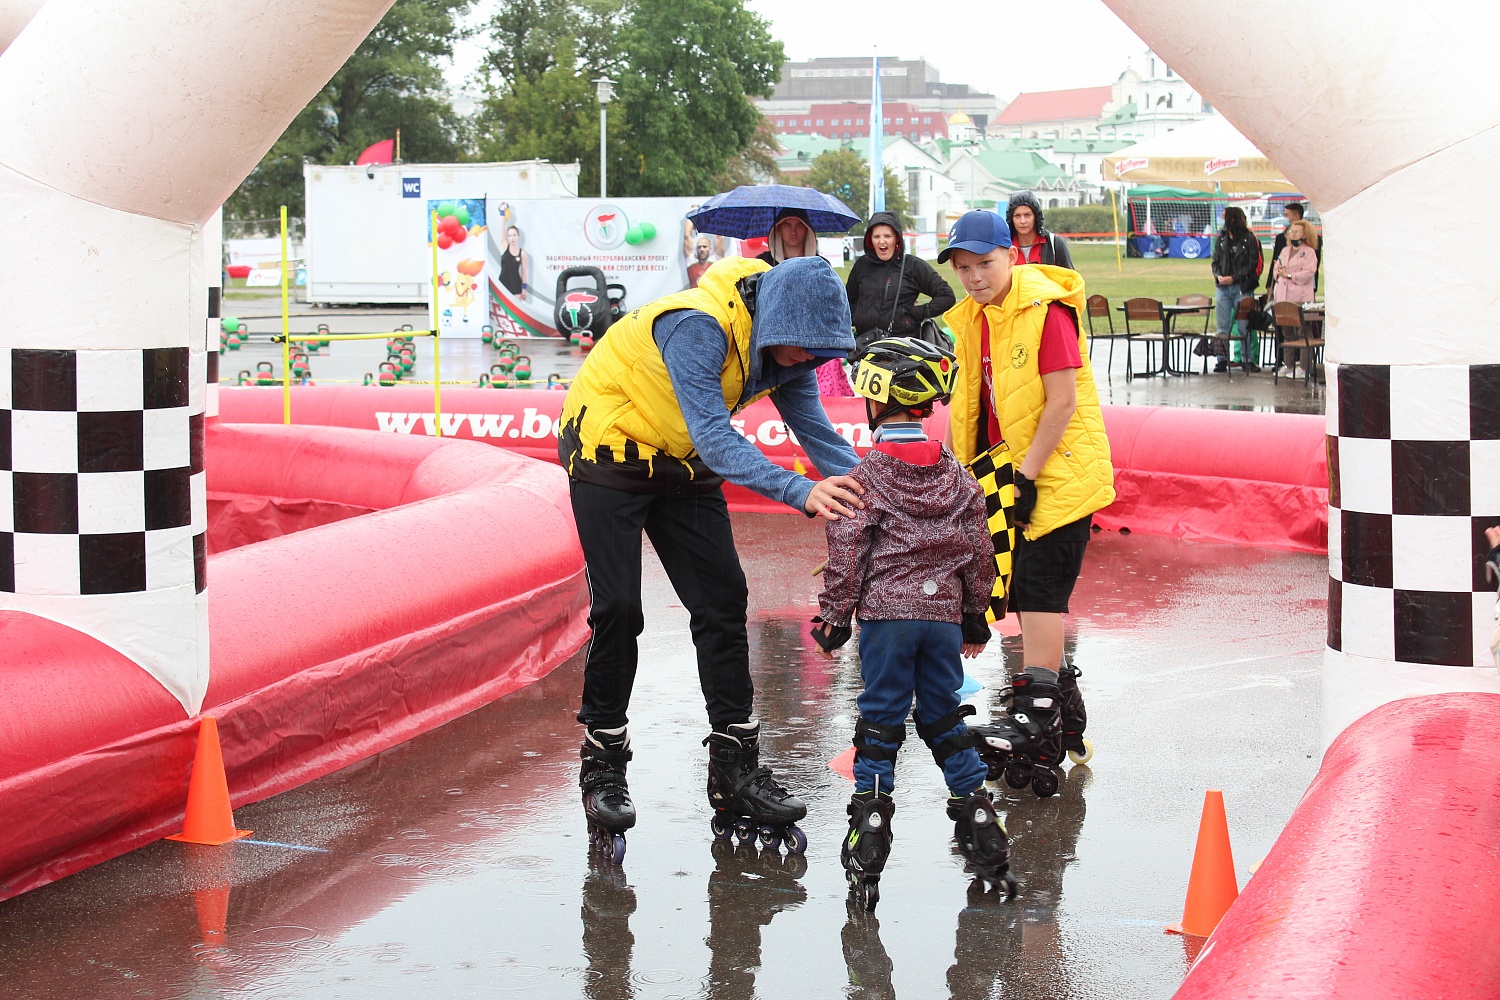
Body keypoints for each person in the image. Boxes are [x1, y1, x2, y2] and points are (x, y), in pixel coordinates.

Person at [558, 254, 866, 863]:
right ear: (777, 321)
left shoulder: (786, 346)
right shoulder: (697, 326)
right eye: (805, 347)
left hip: (683, 460)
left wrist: (884, 499)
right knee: (620, 607)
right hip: (608, 455)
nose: (810, 360)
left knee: (724, 602)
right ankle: (604, 762)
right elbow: (715, 435)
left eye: (821, 351)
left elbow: (819, 434)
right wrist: (800, 491)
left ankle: (735, 766)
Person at [811, 337, 1015, 910]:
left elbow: (847, 547)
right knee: (945, 722)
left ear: (876, 402)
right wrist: (975, 616)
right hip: (944, 621)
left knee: (880, 727)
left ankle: (869, 837)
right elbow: (980, 547)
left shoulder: (867, 475)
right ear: (926, 404)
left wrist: (834, 619)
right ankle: (981, 824)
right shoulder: (955, 475)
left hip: (887, 621)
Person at [939, 210, 1114, 798]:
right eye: (963, 268)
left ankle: (1037, 712)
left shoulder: (1047, 309)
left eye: (984, 264)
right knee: (1013, 589)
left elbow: (1061, 401)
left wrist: (1028, 475)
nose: (974, 277)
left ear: (1011, 254)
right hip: (997, 473)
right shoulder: (969, 319)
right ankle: (1062, 710)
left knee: (1040, 588)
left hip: (1055, 473)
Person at [845, 210, 956, 354]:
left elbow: (946, 296)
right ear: (870, 239)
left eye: (887, 236)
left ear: (897, 238)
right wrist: (858, 318)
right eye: (876, 236)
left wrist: (919, 312)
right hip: (865, 348)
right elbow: (848, 301)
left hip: (903, 351)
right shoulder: (861, 265)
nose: (882, 241)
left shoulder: (912, 266)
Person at [1210, 207, 1262, 373]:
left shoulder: (1249, 239)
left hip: (1242, 287)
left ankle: (1248, 359)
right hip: (1223, 288)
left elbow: (1252, 264)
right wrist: (1218, 276)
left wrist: (1234, 277)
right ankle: (1222, 359)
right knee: (1222, 326)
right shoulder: (1221, 239)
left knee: (1243, 325)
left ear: (1233, 219)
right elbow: (1215, 262)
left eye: (1225, 217)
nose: (1222, 220)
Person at [1271, 219, 1321, 376]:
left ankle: (1305, 366)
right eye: (1291, 231)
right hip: (1283, 297)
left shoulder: (1309, 252)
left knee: (1303, 332)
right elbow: (1276, 268)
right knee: (1287, 332)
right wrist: (1279, 273)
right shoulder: (1285, 250)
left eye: (1297, 231)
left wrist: (1291, 275)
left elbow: (1308, 272)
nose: (1293, 234)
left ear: (1305, 234)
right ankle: (1289, 365)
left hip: (1300, 296)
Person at [1263, 202, 1322, 295]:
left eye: (1287, 215)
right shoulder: (1281, 238)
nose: (1284, 218)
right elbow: (1275, 263)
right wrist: (1270, 284)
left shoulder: (1314, 239)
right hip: (1283, 286)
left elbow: (1314, 265)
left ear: (1297, 216)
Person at [1006, 191, 1075, 269]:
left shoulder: (1054, 244)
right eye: (1017, 216)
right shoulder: (1004, 246)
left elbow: (1070, 278)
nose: (1023, 221)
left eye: (1027, 215)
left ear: (1036, 216)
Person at [499, 224, 528, 301]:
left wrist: (524, 289)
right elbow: (502, 227)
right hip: (503, 283)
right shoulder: (504, 246)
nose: (512, 238)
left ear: (518, 236)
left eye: (514, 235)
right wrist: (502, 214)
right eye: (509, 235)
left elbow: (524, 272)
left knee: (514, 310)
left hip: (516, 285)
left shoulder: (522, 253)